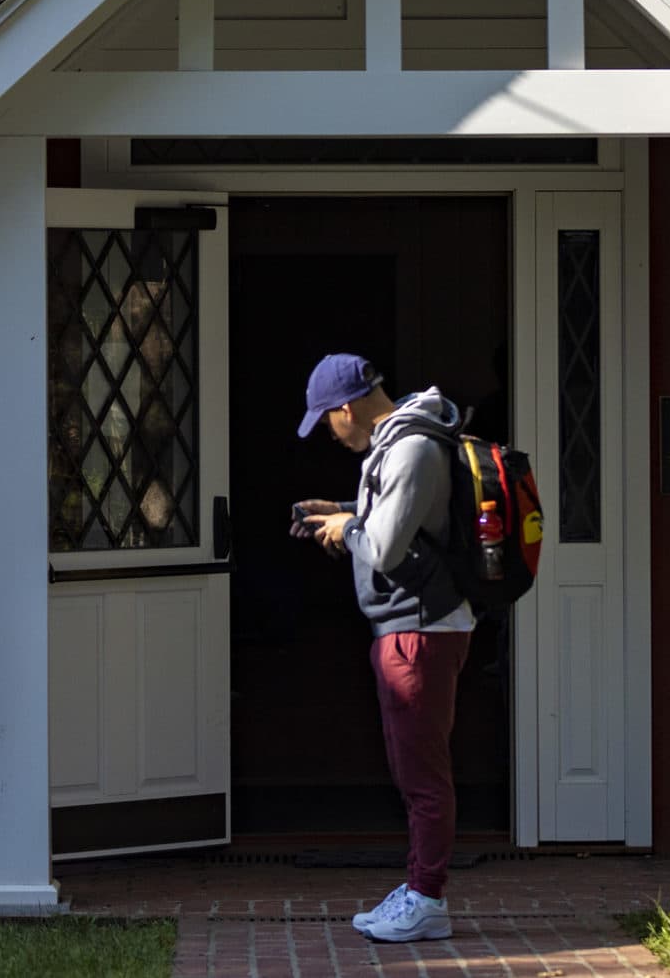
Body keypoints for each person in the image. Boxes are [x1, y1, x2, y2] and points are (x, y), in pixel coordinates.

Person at [292, 352, 472, 945]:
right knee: (413, 768)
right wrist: (341, 512)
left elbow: (387, 549)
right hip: (407, 628)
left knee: (423, 776)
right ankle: (420, 887)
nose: (328, 432)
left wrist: (349, 529)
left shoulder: (411, 448)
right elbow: (395, 524)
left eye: (327, 420)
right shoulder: (400, 444)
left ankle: (428, 898)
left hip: (419, 631)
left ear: (347, 408)